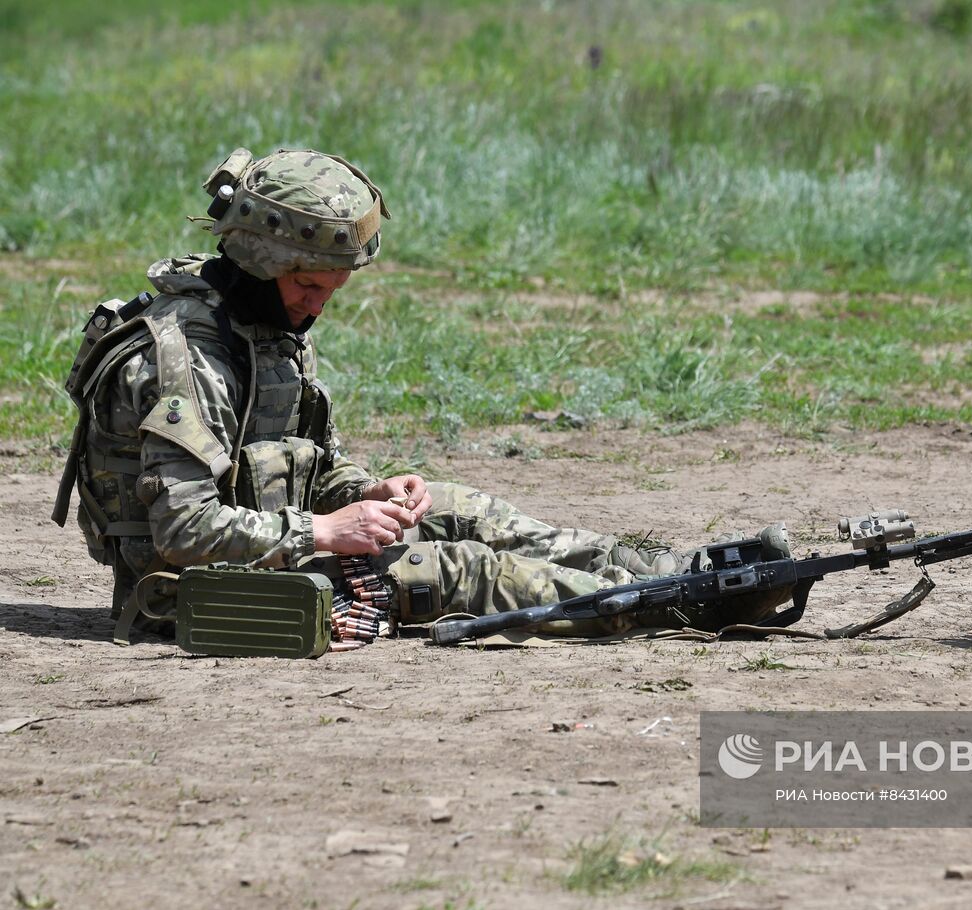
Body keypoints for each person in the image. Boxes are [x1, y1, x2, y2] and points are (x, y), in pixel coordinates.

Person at [52, 147, 788, 646]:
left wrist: (366, 490)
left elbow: (305, 464)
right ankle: (674, 607)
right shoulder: (185, 358)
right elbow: (183, 529)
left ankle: (667, 568)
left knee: (467, 510)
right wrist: (325, 533)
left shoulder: (263, 321)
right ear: (258, 258)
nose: (316, 306)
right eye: (307, 285)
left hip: (271, 547)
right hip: (189, 593)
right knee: (463, 569)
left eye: (331, 289)